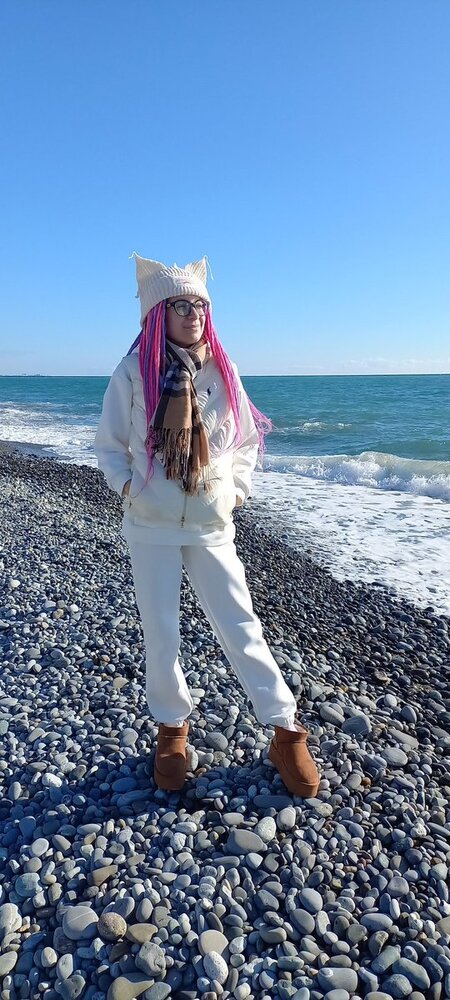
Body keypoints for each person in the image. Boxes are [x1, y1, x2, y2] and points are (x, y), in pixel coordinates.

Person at [94, 253, 320, 797]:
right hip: (150, 523)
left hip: (211, 522)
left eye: (200, 304)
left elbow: (244, 442)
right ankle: (172, 729)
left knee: (240, 623)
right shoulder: (133, 372)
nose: (193, 313)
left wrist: (234, 492)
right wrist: (131, 488)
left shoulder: (223, 368)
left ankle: (285, 728)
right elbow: (109, 445)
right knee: (161, 630)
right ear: (158, 313)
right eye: (181, 305)